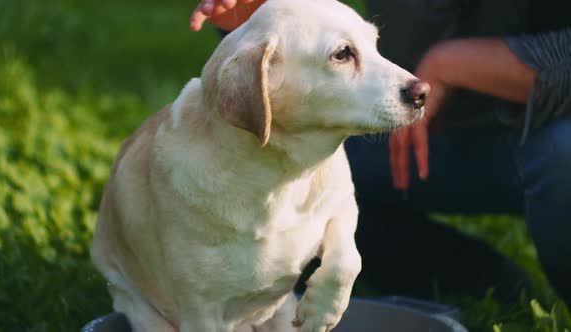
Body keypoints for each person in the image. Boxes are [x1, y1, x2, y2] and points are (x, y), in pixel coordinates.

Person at [190, 0, 571, 306]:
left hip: (551, 136)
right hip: (412, 125)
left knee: (563, 153)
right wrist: (254, 13)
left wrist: (455, 62)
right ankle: (473, 275)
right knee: (299, 161)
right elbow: (306, 36)